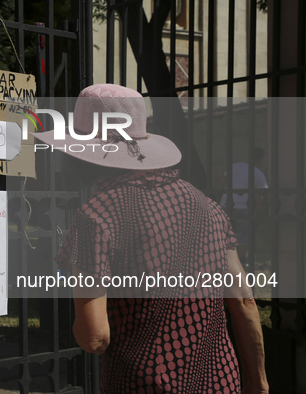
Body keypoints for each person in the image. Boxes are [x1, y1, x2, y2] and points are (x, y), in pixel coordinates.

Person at [33, 84, 268, 393]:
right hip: (220, 382)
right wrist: (258, 382)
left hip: (141, 385)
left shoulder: (96, 216)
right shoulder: (209, 207)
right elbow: (244, 301)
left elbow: (94, 336)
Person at [220, 148, 268, 267]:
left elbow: (223, 183)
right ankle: (242, 262)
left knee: (223, 234)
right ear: (260, 159)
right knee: (244, 235)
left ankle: (222, 261)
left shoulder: (234, 167)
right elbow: (259, 196)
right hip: (244, 207)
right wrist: (254, 210)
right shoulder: (258, 173)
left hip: (226, 204)